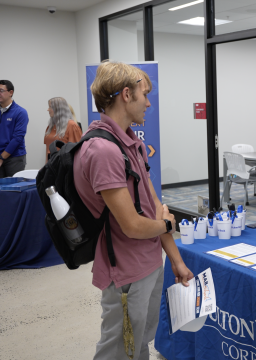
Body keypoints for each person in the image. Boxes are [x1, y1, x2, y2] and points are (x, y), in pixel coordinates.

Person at [74, 60, 193, 360]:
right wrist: (167, 226)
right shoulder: (103, 150)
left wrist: (175, 261)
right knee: (118, 350)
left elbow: (153, 208)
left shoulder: (131, 145)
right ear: (126, 95)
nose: (149, 103)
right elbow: (132, 225)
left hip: (149, 264)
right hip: (125, 271)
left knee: (138, 345)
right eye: (144, 95)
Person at [43, 97, 82, 162]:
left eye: (50, 107)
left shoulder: (72, 125)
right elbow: (47, 150)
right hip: (51, 164)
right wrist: (46, 166)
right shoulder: (50, 126)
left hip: (64, 164)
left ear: (58, 109)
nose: (48, 109)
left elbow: (78, 150)